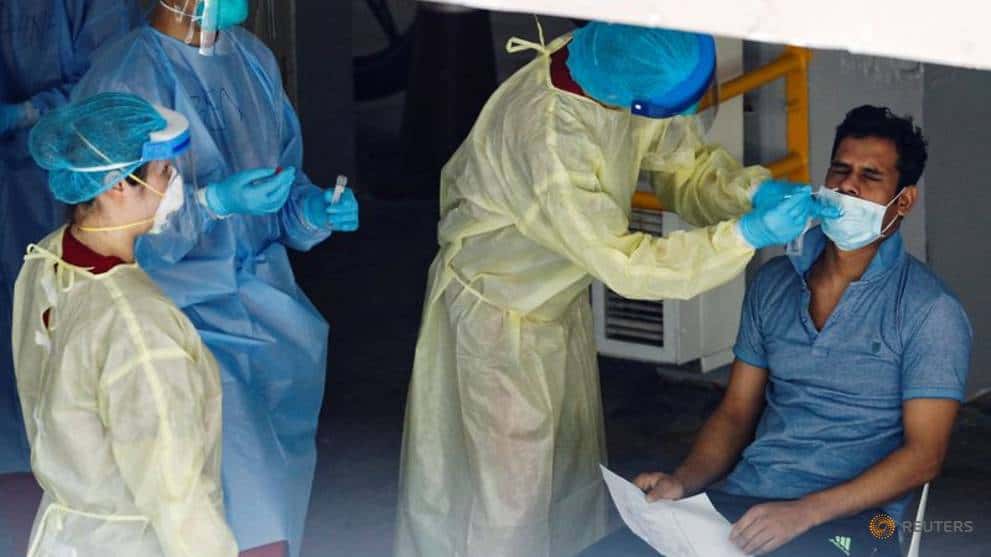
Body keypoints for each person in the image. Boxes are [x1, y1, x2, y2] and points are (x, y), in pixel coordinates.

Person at [395, 21, 835, 557]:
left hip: (552, 305)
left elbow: (683, 165)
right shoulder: (551, 144)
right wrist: (746, 235)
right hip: (497, 320)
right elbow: (630, 267)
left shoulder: (616, 63)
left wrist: (753, 194)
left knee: (570, 482)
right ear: (634, 99)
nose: (686, 117)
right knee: (506, 505)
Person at [71, 2, 360, 555]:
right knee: (223, 509)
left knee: (274, 499)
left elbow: (280, 184)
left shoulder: (251, 59)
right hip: (176, 321)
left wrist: (312, 211)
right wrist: (211, 203)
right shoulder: (127, 74)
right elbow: (111, 226)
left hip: (270, 315)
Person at [632, 106, 972, 557]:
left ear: (903, 201)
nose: (847, 185)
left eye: (870, 176)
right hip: (750, 497)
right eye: (840, 169)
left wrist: (804, 513)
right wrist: (682, 481)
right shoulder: (775, 282)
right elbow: (735, 413)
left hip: (856, 521)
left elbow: (924, 456)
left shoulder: (929, 310)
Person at [14, 92, 237, 557]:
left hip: (67, 537)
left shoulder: (47, 259)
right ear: (117, 185)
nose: (174, 182)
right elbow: (173, 489)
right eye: (162, 172)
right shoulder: (139, 326)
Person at [0, 0, 136, 475]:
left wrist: (26, 113)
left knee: (63, 322)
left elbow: (107, 87)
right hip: (16, 184)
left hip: (61, 176)